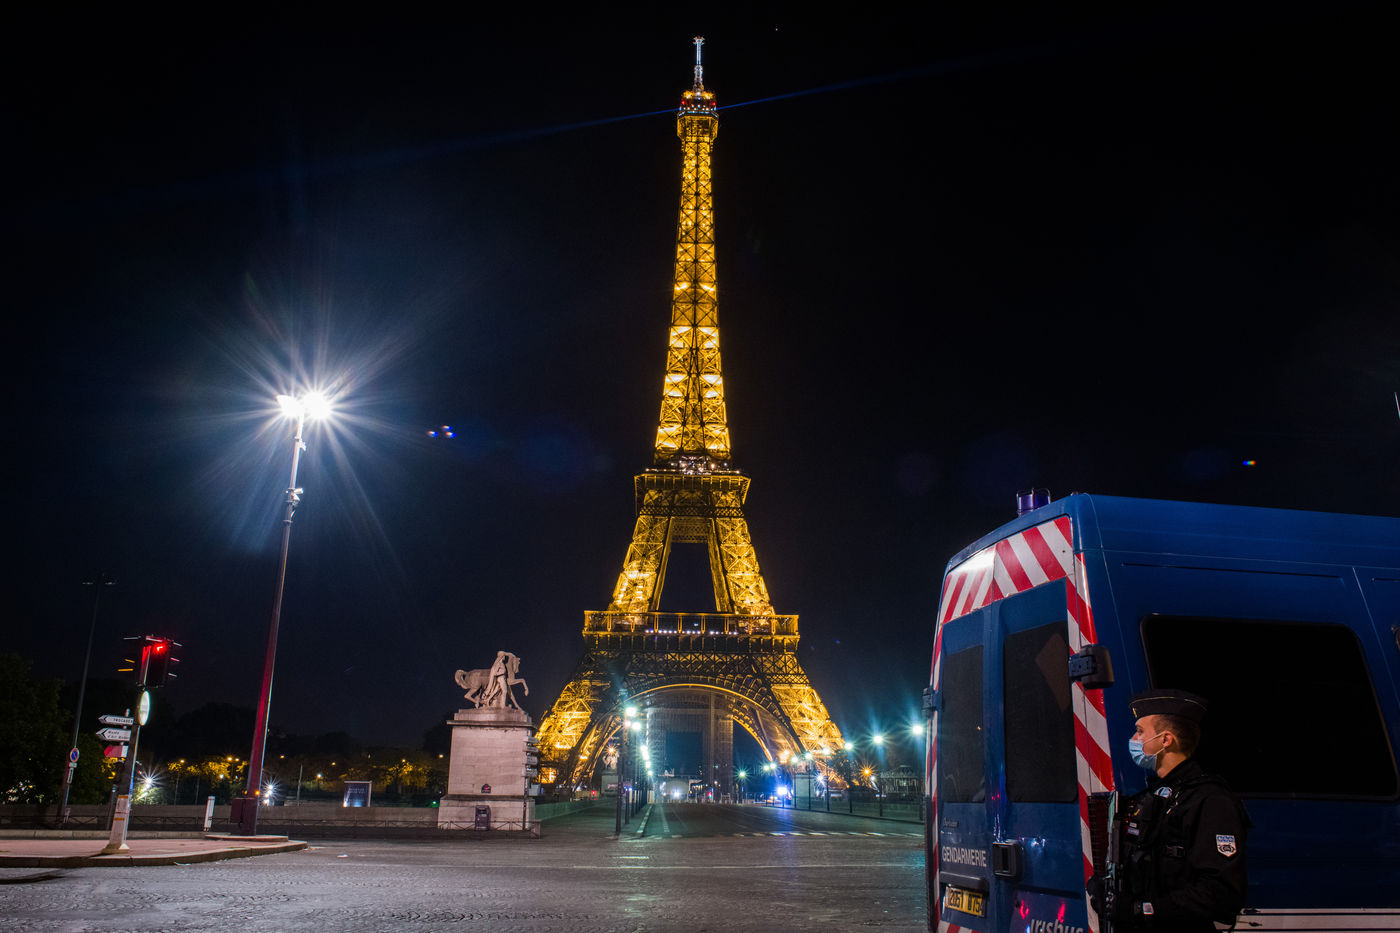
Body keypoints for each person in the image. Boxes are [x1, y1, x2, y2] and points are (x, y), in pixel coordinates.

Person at [1112, 689, 1249, 932]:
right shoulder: (1156, 797)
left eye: (1141, 731)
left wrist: (1143, 910)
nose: (1134, 738)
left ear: (1166, 740)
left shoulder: (1210, 800)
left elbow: (1221, 892)